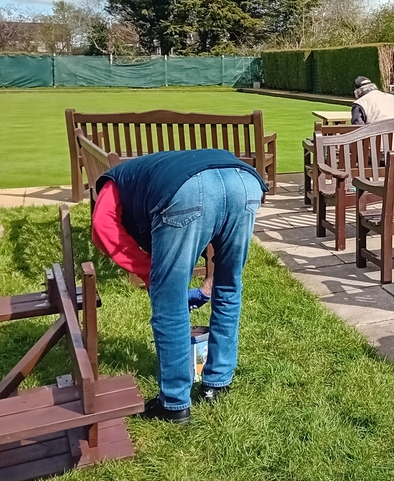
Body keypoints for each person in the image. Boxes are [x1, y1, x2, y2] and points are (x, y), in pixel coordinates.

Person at [91, 149, 267, 424]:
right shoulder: (148, 172)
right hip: (245, 182)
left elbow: (102, 226)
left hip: (187, 190)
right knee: (229, 287)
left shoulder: (112, 182)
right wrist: (208, 284)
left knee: (169, 303)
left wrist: (150, 273)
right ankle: (217, 383)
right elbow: (217, 216)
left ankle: (173, 404)